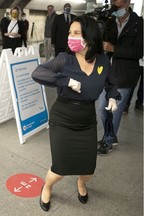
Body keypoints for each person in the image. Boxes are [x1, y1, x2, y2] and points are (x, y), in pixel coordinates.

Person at [31, 15, 120, 212]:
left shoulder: (103, 61)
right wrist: (66, 81)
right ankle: (47, 187)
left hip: (87, 121)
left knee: (88, 169)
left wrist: (113, 97)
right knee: (60, 168)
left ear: (89, 37)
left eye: (76, 33)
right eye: (70, 33)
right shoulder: (65, 59)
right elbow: (38, 73)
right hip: (63, 118)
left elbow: (112, 83)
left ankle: (81, 183)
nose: (70, 36)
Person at [97, 0, 143, 155]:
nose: (117, 7)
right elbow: (104, 41)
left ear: (128, 2)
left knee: (114, 112)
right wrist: (105, 23)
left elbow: (138, 52)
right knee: (102, 109)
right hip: (108, 73)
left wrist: (114, 48)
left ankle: (108, 140)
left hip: (125, 75)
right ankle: (111, 136)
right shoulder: (111, 20)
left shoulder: (139, 23)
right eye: (114, 4)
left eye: (119, 4)